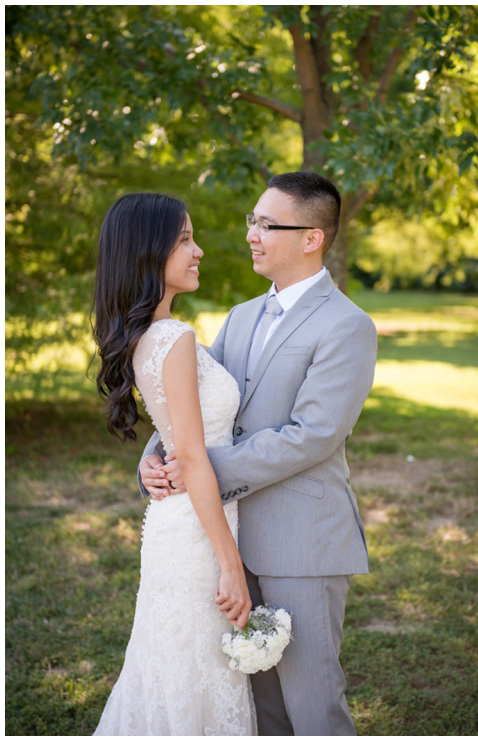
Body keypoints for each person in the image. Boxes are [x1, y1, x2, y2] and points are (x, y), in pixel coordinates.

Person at [139, 171, 377, 735]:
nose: (252, 233)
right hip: (234, 539)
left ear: (311, 237)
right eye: (253, 220)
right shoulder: (242, 315)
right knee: (261, 707)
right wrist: (157, 455)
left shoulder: (348, 326)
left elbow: (312, 434)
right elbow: (199, 403)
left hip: (305, 542)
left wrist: (200, 472)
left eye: (267, 224)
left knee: (313, 703)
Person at [92, 193, 256, 735]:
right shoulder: (174, 337)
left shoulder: (148, 335)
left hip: (178, 524)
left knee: (173, 669)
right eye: (184, 239)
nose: (198, 250)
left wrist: (152, 458)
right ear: (148, 251)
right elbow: (192, 456)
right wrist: (231, 565)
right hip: (195, 533)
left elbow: (173, 436)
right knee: (193, 672)